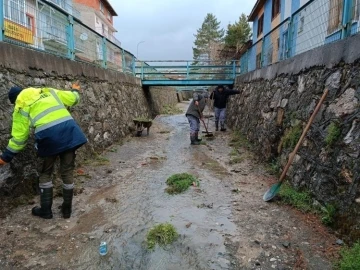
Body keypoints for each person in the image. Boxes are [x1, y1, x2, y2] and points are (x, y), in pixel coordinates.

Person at [0, 82, 87, 219]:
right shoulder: (47, 91)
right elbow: (73, 98)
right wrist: (75, 90)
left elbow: (19, 138)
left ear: (14, 100)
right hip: (69, 132)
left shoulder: (20, 104)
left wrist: (6, 157)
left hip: (48, 138)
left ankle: (46, 211)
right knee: (67, 171)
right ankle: (66, 210)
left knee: (46, 172)